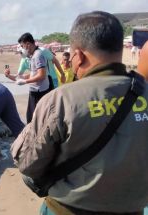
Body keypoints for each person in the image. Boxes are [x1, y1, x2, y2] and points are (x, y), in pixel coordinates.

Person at [11, 11, 148, 214]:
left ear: (78, 56)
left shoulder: (60, 100)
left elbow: (28, 164)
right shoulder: (144, 91)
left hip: (69, 208)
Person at [5, 33, 61, 123]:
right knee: (31, 118)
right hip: (35, 92)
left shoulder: (38, 55)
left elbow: (42, 75)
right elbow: (32, 75)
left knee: (35, 119)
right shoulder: (33, 56)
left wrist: (25, 81)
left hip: (39, 93)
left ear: (28, 44)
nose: (22, 49)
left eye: (22, 46)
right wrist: (9, 76)